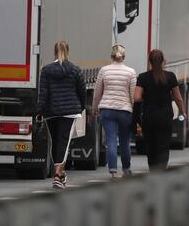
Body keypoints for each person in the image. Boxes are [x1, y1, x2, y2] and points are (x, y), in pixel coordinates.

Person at [36, 40, 86, 190]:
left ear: (54, 52)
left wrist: (40, 110)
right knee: (63, 142)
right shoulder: (75, 70)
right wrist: (81, 106)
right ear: (68, 51)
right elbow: (81, 90)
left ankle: (59, 174)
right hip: (70, 112)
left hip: (51, 111)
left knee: (55, 141)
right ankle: (58, 175)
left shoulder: (46, 70)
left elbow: (43, 93)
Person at [134, 49, 185, 171]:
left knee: (151, 146)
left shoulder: (143, 77)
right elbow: (178, 98)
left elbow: (136, 97)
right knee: (163, 146)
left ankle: (153, 171)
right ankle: (161, 170)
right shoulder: (170, 76)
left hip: (149, 117)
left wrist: (146, 98)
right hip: (165, 117)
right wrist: (183, 112)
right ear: (163, 61)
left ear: (150, 61)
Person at [93, 44, 137, 178]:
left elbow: (97, 92)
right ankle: (126, 169)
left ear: (111, 56)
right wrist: (133, 110)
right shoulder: (131, 72)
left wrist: (95, 108)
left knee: (111, 140)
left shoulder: (104, 71)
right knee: (124, 141)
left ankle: (113, 171)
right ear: (124, 56)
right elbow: (132, 94)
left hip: (107, 110)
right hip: (125, 110)